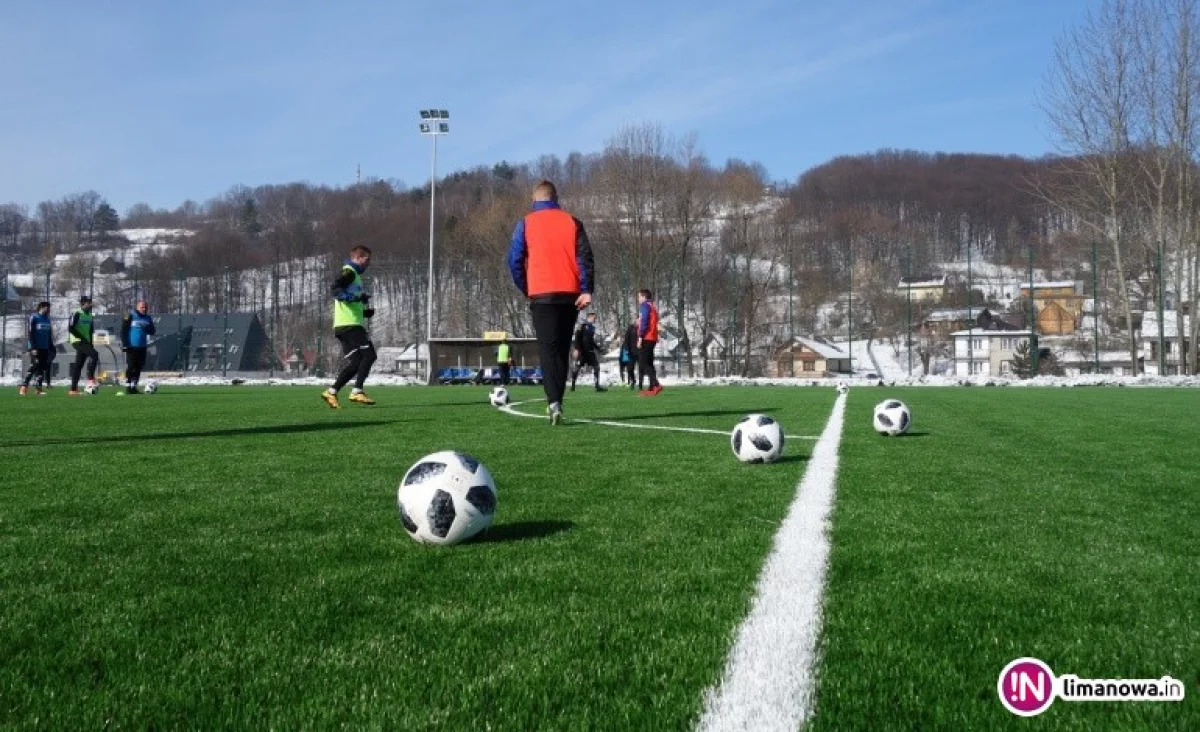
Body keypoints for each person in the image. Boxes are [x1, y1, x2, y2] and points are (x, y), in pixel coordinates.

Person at [507, 180, 594, 425]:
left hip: (542, 294)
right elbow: (585, 257)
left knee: (548, 348)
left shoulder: (525, 223)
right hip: (569, 294)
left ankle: (553, 401)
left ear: (534, 200)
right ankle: (558, 400)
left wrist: (527, 287)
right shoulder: (572, 221)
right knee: (562, 348)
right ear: (556, 198)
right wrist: (586, 289)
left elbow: (514, 260)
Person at [322, 245, 377, 408]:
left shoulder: (355, 276)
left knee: (356, 363)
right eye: (367, 259)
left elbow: (350, 299)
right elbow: (335, 289)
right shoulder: (349, 272)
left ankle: (331, 392)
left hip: (344, 326)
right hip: (350, 326)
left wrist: (363, 310)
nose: (368, 263)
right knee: (370, 355)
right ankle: (357, 391)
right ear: (359, 258)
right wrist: (354, 298)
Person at [120, 300, 156, 394]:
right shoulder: (130, 316)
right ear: (137, 307)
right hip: (132, 346)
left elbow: (152, 331)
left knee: (139, 367)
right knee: (131, 366)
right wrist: (125, 344)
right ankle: (128, 386)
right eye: (142, 307)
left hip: (142, 346)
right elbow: (123, 331)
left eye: (145, 307)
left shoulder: (147, 318)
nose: (144, 309)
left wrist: (147, 327)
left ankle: (134, 386)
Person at [19, 301, 53, 396]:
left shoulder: (47, 319)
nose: (48, 309)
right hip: (35, 347)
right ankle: (24, 386)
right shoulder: (34, 317)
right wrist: (33, 347)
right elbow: (30, 333)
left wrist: (51, 347)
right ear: (41, 307)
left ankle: (38, 389)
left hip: (45, 348)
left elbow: (49, 335)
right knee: (35, 364)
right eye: (47, 307)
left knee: (41, 368)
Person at [67, 295, 99, 395]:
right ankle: (90, 378)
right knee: (94, 355)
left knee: (78, 365)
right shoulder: (76, 313)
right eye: (89, 303)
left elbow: (90, 331)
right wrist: (81, 337)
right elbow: (71, 328)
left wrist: (90, 343)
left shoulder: (90, 315)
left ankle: (73, 390)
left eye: (91, 302)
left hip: (86, 342)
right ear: (83, 303)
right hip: (77, 341)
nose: (90, 304)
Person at [570, 311, 605, 392]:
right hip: (582, 352)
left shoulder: (592, 328)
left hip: (590, 351)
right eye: (594, 317)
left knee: (596, 367)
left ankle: (597, 386)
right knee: (577, 368)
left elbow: (591, 341)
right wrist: (576, 349)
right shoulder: (582, 326)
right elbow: (577, 337)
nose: (595, 319)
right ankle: (573, 385)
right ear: (589, 316)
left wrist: (599, 349)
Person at [636, 289, 662, 396]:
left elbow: (645, 321)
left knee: (643, 363)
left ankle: (656, 384)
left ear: (643, 296)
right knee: (649, 362)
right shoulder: (652, 306)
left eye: (639, 296)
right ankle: (652, 388)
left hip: (647, 337)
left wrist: (640, 336)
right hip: (652, 338)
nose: (638, 299)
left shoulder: (645, 306)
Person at [620, 323, 638, 389]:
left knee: (644, 368)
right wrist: (627, 350)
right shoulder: (630, 329)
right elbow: (626, 340)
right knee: (630, 368)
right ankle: (633, 381)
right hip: (632, 352)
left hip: (640, 351)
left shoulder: (643, 328)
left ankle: (645, 384)